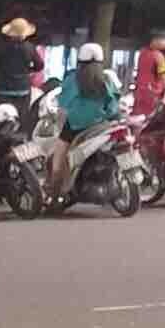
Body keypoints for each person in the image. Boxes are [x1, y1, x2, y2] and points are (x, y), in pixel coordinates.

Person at [48, 42, 121, 207]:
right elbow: (113, 104)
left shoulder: (72, 79)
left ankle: (54, 195)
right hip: (101, 125)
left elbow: (63, 105)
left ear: (80, 60)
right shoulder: (106, 79)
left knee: (58, 159)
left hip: (75, 127)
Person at [0, 16, 40, 109]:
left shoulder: (2, 47)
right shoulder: (30, 48)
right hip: (23, 90)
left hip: (4, 89)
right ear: (25, 34)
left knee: (4, 114)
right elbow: (40, 65)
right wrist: (29, 70)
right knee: (22, 115)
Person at [131, 28, 165, 118]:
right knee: (151, 119)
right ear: (154, 40)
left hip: (140, 93)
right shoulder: (158, 56)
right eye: (164, 40)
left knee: (137, 118)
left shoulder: (142, 52)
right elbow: (163, 76)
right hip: (153, 95)